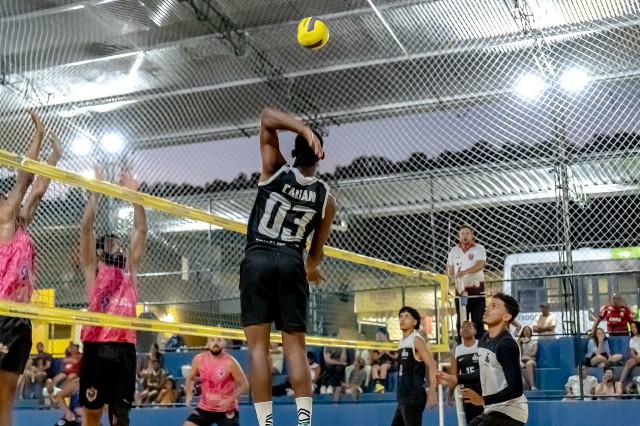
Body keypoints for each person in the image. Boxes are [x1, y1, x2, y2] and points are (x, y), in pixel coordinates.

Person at [240, 107, 335, 426]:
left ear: (294, 151)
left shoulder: (274, 168)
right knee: (295, 347)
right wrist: (311, 268)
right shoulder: (326, 198)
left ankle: (265, 423)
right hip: (292, 261)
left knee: (258, 349)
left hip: (258, 256)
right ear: (320, 156)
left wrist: (302, 128)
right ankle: (304, 422)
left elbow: (266, 116)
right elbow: (315, 253)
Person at [0, 110, 61, 426]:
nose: (9, 199)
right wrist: (37, 136)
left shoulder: (20, 224)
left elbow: (38, 188)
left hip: (20, 316)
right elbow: (24, 180)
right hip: (1, 312)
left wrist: (54, 157)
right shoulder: (3, 220)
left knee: (7, 394)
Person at [78, 168, 148, 426]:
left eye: (117, 244)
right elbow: (86, 227)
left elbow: (141, 229)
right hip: (96, 346)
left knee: (121, 418)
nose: (115, 247)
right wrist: (95, 193)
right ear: (99, 251)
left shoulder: (129, 268)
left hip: (124, 347)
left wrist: (134, 195)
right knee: (92, 415)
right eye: (109, 244)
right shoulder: (94, 268)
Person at [437, 293, 528, 426]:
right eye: (489, 305)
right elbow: (484, 372)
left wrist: (483, 400)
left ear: (506, 317)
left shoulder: (506, 344)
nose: (487, 308)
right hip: (493, 410)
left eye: (494, 306)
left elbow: (516, 389)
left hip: (510, 413)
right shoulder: (484, 340)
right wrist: (456, 379)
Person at [184, 337, 249, 426]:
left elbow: (244, 385)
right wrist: (188, 393)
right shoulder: (199, 359)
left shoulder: (230, 362)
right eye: (212, 340)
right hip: (205, 408)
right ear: (207, 344)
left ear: (224, 343)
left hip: (226, 409)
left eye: (219, 340)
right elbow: (190, 377)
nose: (215, 343)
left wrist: (229, 400)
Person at [391, 306, 437, 426]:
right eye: (401, 316)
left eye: (407, 316)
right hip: (403, 397)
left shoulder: (416, 340)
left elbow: (432, 364)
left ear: (415, 322)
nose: (402, 319)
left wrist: (432, 390)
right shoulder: (401, 342)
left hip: (413, 396)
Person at [447, 225, 487, 338]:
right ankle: (461, 344)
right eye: (462, 234)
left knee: (477, 320)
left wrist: (464, 272)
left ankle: (479, 344)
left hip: (476, 290)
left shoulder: (479, 249)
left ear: (472, 235)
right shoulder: (454, 251)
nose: (465, 236)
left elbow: (480, 265)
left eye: (467, 233)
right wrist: (446, 283)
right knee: (461, 321)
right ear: (459, 236)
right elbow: (449, 270)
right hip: (460, 290)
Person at [447, 321, 483, 424]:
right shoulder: (456, 351)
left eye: (468, 326)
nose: (465, 328)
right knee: (471, 422)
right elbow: (454, 376)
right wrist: (450, 395)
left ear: (475, 331)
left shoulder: (481, 346)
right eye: (462, 327)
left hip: (484, 391)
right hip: (468, 392)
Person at [518, 326, 537, 391]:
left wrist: (525, 356)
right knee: (518, 365)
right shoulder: (521, 342)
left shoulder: (534, 342)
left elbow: (534, 353)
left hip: (531, 360)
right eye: (525, 330)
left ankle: (532, 385)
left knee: (528, 364)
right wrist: (519, 342)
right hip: (522, 360)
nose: (526, 332)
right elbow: (519, 352)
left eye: (528, 330)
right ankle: (524, 384)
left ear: (530, 332)